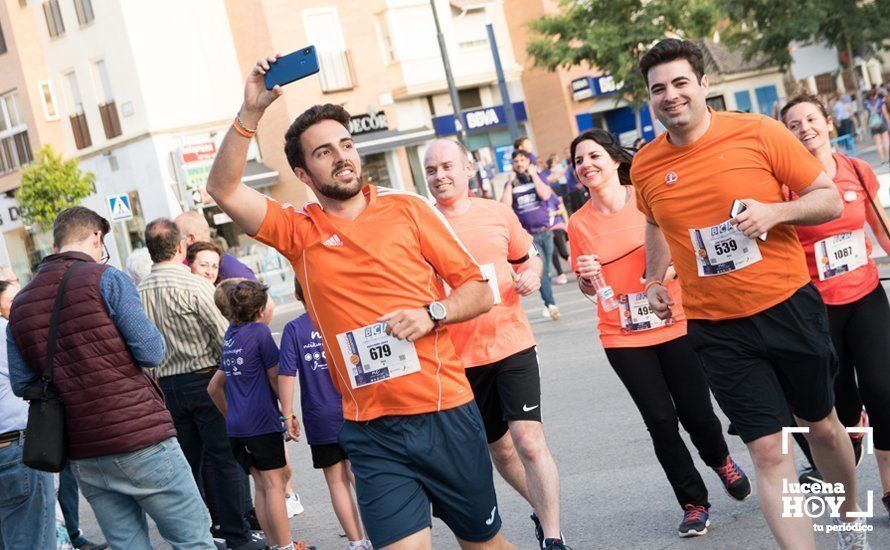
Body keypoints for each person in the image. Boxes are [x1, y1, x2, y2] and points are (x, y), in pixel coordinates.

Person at [204, 54, 512, 550]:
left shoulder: (409, 210)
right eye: (324, 152)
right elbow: (222, 188)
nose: (341, 156)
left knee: (484, 546)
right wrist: (251, 112)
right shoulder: (297, 230)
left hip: (442, 412)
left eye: (345, 144)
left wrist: (431, 313)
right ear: (304, 174)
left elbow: (478, 290)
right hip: (371, 431)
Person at [633, 39, 864, 549]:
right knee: (767, 451)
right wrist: (653, 280)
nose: (670, 96)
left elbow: (826, 198)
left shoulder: (759, 132)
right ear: (648, 98)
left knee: (821, 427)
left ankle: (849, 522)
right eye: (658, 89)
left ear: (703, 85)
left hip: (788, 306)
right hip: (717, 329)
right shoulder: (645, 166)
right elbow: (654, 223)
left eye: (679, 83)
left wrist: (774, 213)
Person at [567, 129, 751, 538]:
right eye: (579, 161)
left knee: (697, 413)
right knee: (660, 421)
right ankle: (693, 503)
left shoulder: (646, 198)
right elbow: (589, 286)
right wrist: (585, 278)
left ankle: (719, 458)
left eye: (594, 156)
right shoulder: (578, 222)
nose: (587, 166)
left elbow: (684, 253)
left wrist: (662, 275)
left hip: (674, 318)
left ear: (615, 159)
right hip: (622, 332)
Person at [6, 207, 214, 550]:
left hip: (84, 452)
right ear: (95, 238)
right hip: (141, 438)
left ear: (56, 243)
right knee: (193, 540)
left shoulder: (21, 304)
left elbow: (21, 382)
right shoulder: (107, 278)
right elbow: (151, 353)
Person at [425, 139, 569, 550]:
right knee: (502, 451)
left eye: (448, 166)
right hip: (459, 358)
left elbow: (529, 260)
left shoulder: (497, 213)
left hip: (512, 344)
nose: (441, 176)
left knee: (528, 440)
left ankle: (554, 538)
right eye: (432, 170)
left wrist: (532, 274)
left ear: (467, 167)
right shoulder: (421, 223)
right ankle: (543, 512)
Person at [782, 91, 890, 522]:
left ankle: (886, 488)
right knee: (839, 407)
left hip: (866, 295)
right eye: (794, 124)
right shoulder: (785, 185)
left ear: (828, 122)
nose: (805, 128)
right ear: (786, 136)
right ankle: (849, 438)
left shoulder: (858, 171)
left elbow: (880, 231)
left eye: (811, 118)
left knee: (884, 391)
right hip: (817, 309)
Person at [138, 218, 262, 550]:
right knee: (225, 458)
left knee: (186, 467)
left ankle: (198, 536)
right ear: (180, 248)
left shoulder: (138, 293)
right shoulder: (196, 286)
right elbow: (225, 339)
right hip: (204, 380)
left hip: (165, 386)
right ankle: (238, 535)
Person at [207, 281, 313, 550]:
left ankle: (275, 545)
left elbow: (214, 387)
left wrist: (231, 415)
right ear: (261, 308)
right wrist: (288, 413)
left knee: (262, 485)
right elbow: (276, 376)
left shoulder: (231, 334)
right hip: (261, 423)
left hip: (237, 427)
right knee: (276, 485)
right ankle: (287, 546)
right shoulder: (260, 333)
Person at [278, 280, 372, 550]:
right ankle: (380, 537)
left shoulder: (294, 329)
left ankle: (357, 543)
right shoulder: (342, 315)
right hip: (356, 410)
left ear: (297, 294)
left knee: (336, 481)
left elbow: (286, 374)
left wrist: (287, 415)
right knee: (363, 476)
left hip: (320, 416)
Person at [0, 277, 56, 550]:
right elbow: (32, 377)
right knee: (31, 541)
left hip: (12, 448)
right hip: (14, 448)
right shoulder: (4, 331)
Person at [501, 150, 560, 321]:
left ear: (528, 162)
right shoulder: (511, 183)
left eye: (522, 160)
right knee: (539, 270)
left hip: (546, 232)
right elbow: (504, 206)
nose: (519, 163)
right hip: (529, 237)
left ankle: (548, 300)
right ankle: (550, 304)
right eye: (516, 161)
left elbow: (545, 195)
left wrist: (534, 175)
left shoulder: (538, 176)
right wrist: (510, 183)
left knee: (546, 270)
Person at [546, 194, 569, 286]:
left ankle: (577, 269)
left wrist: (553, 213)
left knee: (563, 252)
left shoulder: (551, 197)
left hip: (557, 227)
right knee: (553, 253)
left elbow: (562, 209)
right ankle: (560, 274)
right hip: (546, 230)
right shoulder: (535, 199)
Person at [864, 89, 889, 163]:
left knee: (878, 143)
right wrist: (888, 122)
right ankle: (887, 158)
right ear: (875, 94)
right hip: (881, 123)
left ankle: (882, 160)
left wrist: (868, 125)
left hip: (873, 125)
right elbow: (885, 113)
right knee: (886, 140)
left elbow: (866, 116)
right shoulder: (880, 101)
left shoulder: (866, 104)